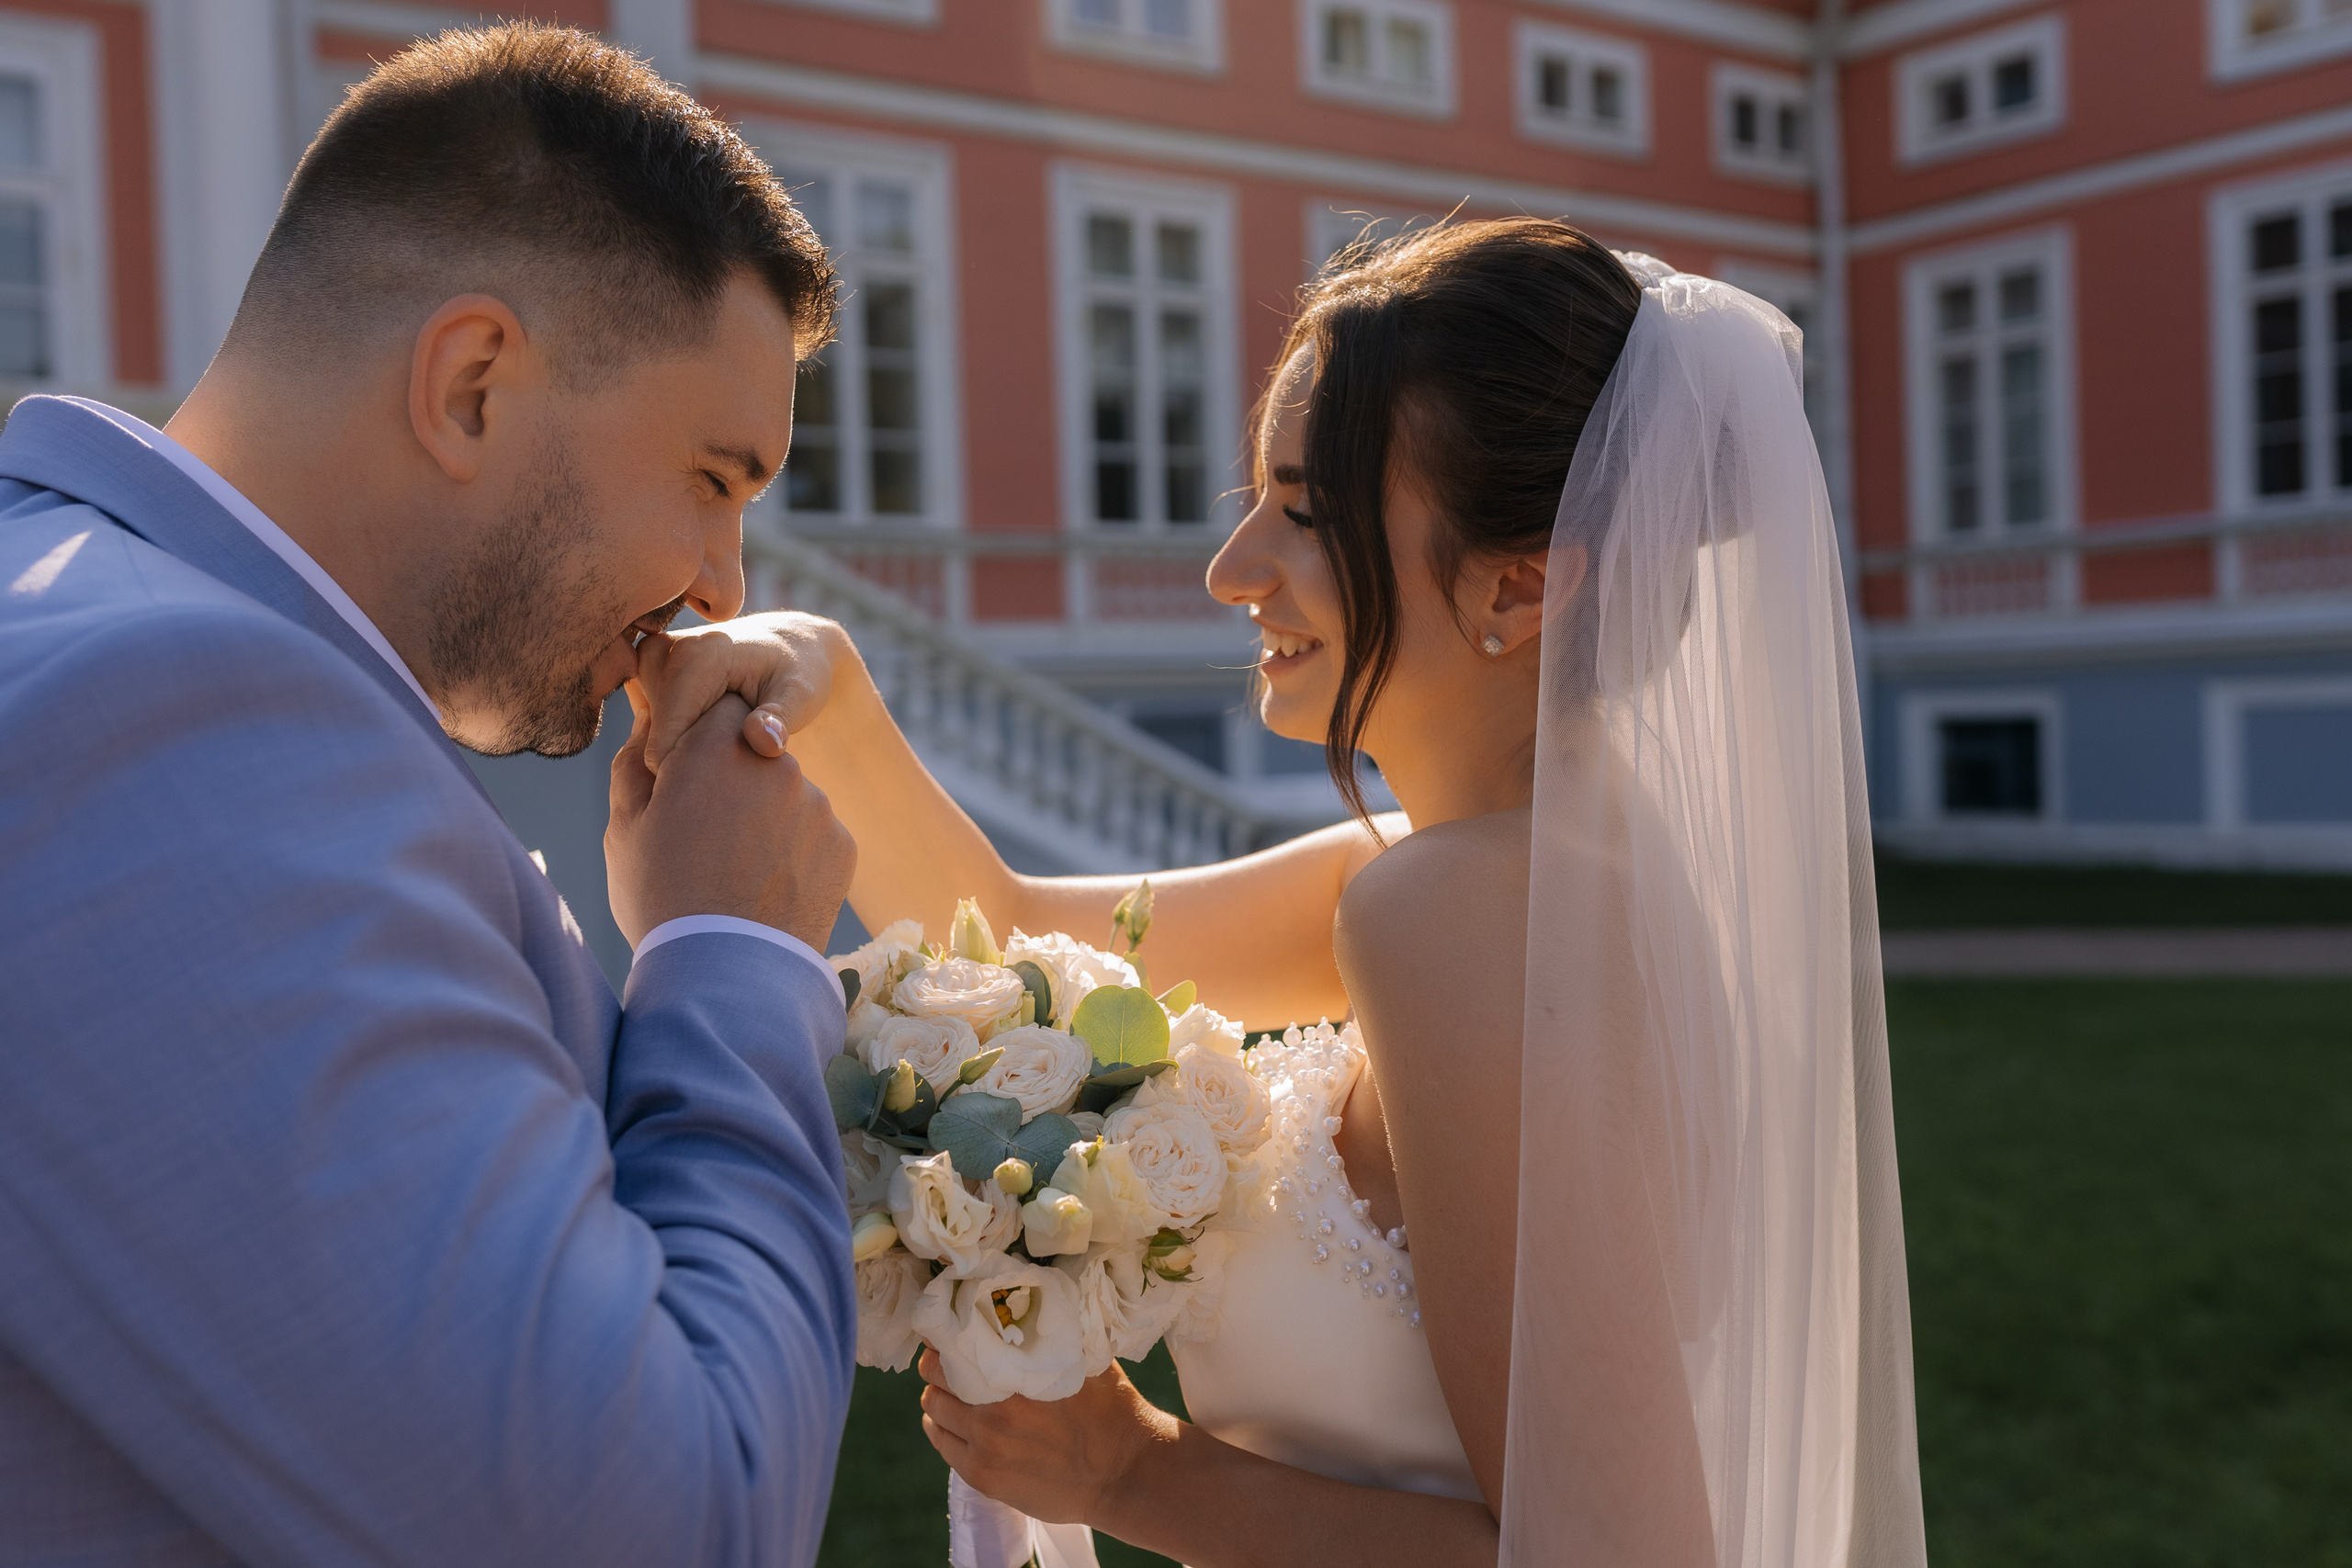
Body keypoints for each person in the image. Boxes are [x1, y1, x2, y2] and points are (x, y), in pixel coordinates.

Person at [658, 220, 1928, 1566]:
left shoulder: (1454, 911)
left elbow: (1617, 1553)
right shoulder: (1503, 872)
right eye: (1251, 498)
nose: (1232, 569)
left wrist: (1135, 1473)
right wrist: (824, 685)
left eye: (1308, 516)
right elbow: (1016, 928)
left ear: (1521, 585)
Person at [0, 26, 861, 1567]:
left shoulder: (92, 629)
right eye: (715, 482)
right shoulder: (172, 728)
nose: (721, 587)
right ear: (472, 386)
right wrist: (735, 953)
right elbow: (672, 1526)